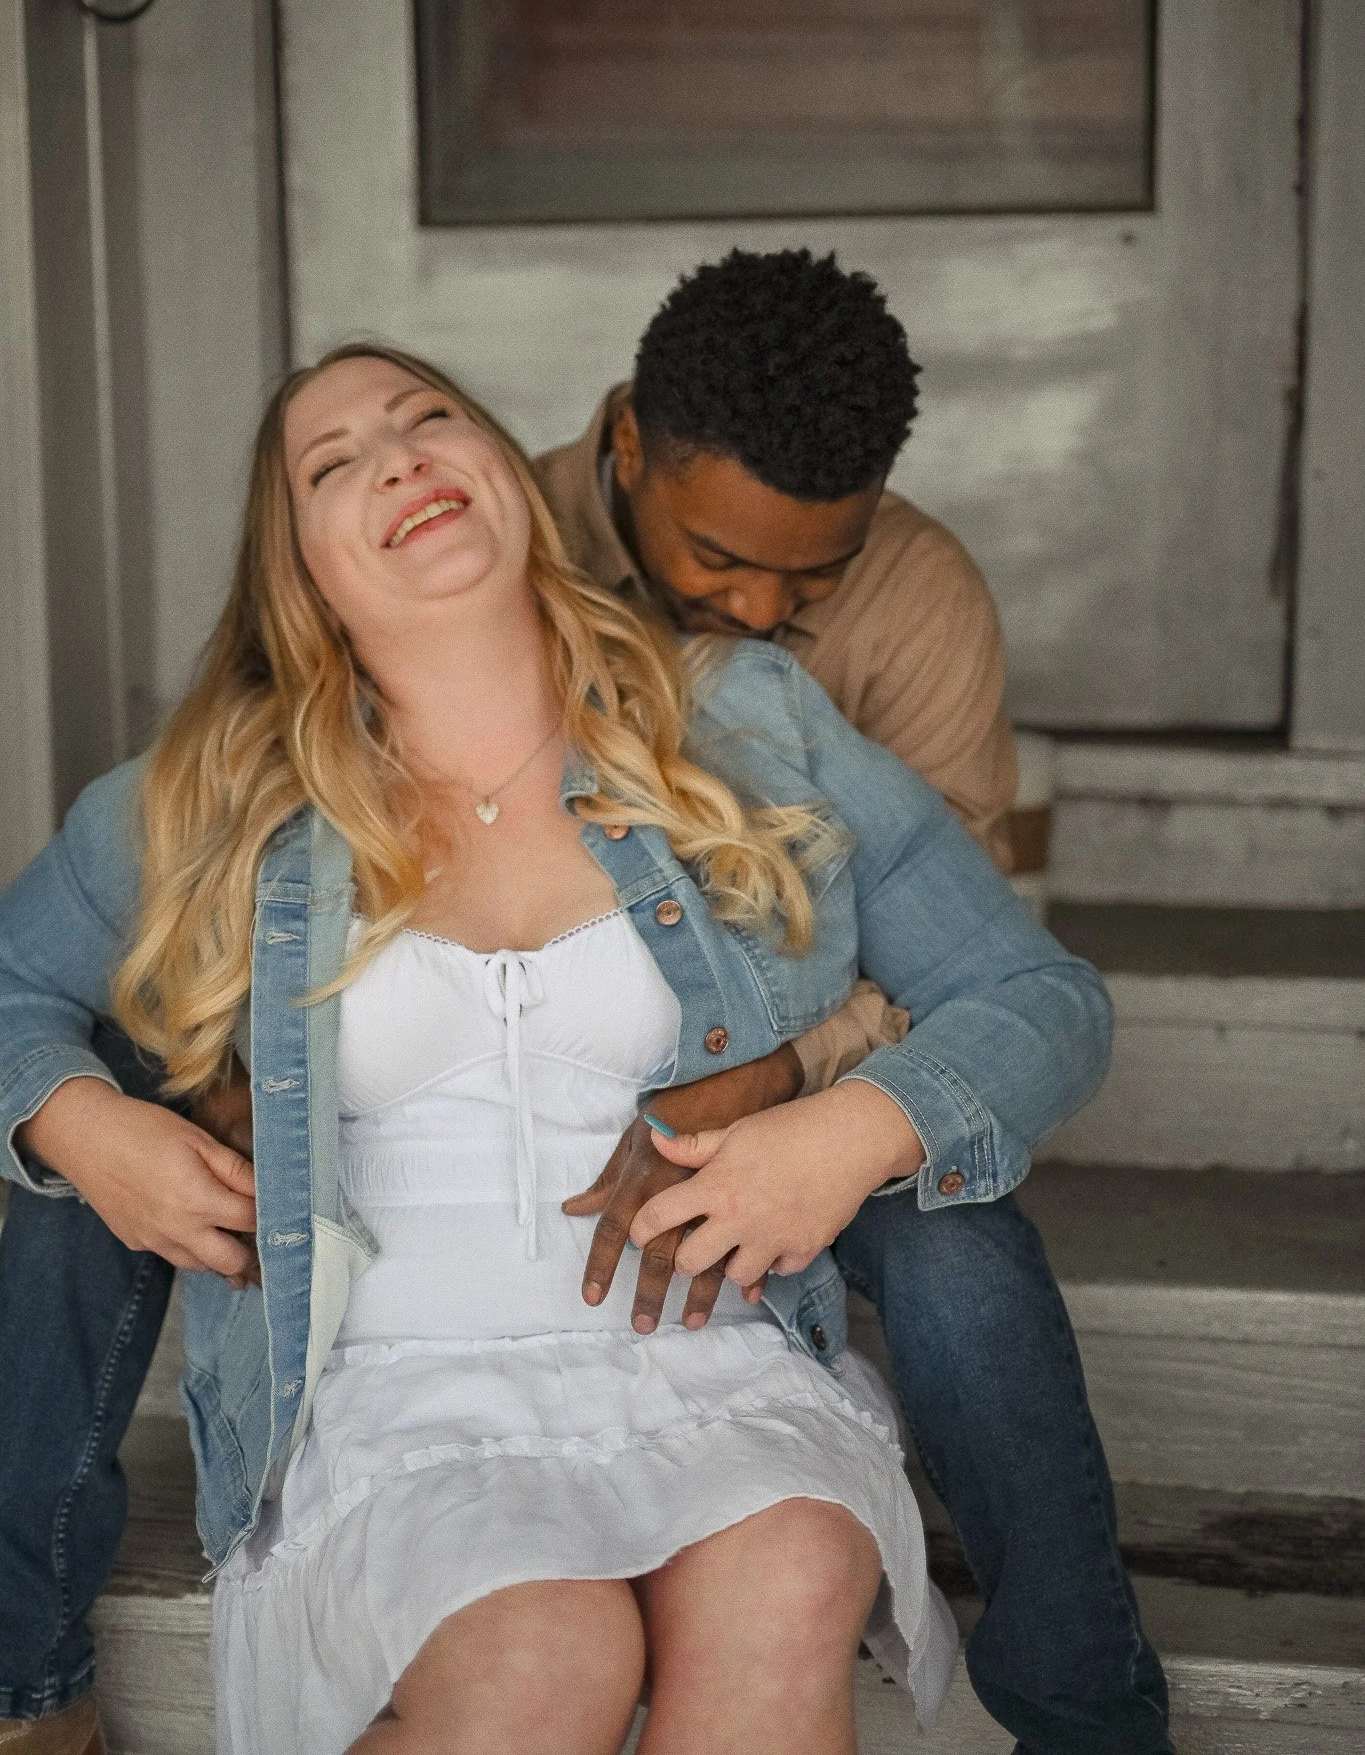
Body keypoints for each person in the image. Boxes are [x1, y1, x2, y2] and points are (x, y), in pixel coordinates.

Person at [0, 250, 1171, 1755]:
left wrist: (850, 1125)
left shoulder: (744, 716)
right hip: (402, 1389)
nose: (402, 456)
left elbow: (1035, 992)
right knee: (540, 1660)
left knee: (797, 1572)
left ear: (503, 469)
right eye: (335, 463)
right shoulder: (211, 792)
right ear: (297, 571)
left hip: (703, 1358)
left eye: (429, 418)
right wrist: (78, 1118)